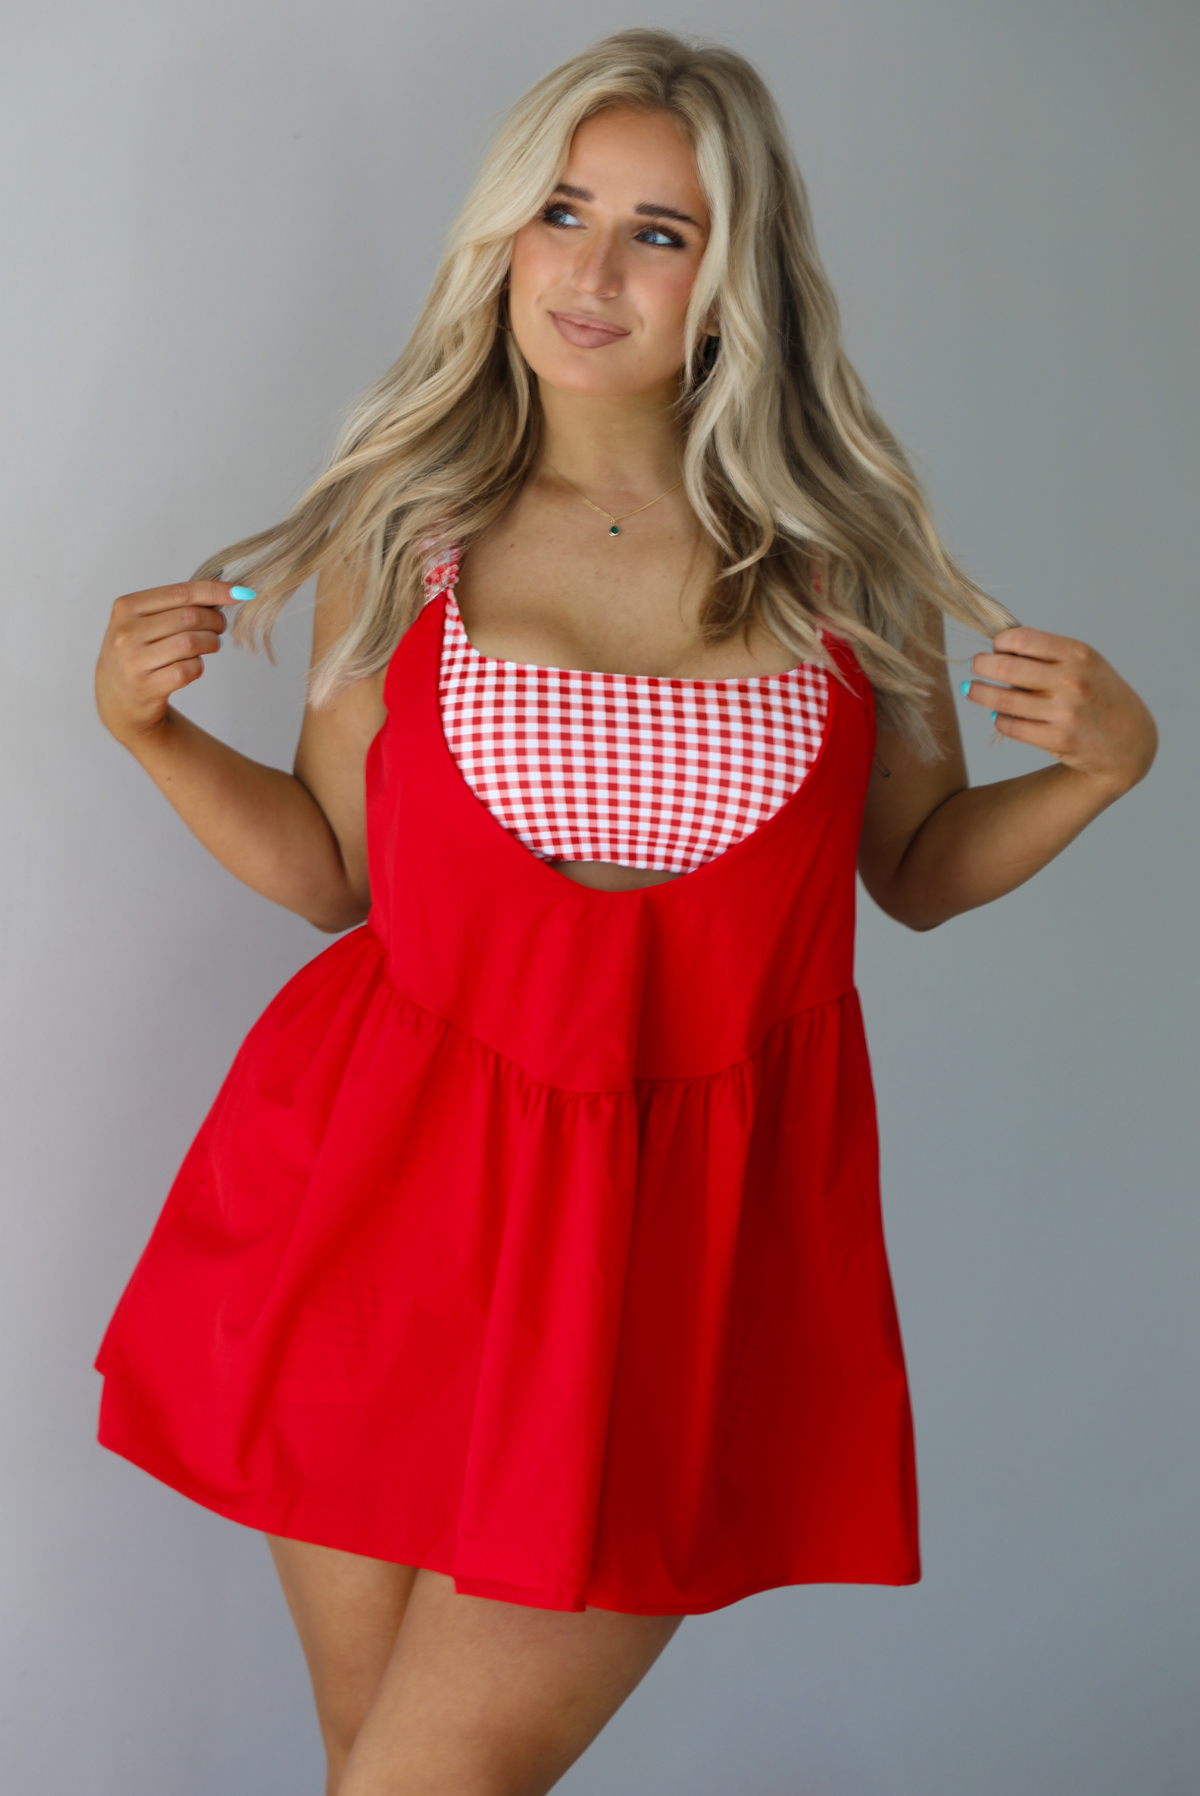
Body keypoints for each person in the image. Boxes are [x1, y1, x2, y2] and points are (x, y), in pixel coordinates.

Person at [92, 28, 1157, 1796]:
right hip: (377, 1223)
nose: (591, 270)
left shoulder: (844, 567)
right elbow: (332, 876)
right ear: (502, 233)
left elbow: (917, 875)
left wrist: (1098, 775)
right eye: (562, 211)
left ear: (736, 278)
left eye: (660, 233)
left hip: (671, 1266)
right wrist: (143, 733)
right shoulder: (403, 528)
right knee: (386, 1774)